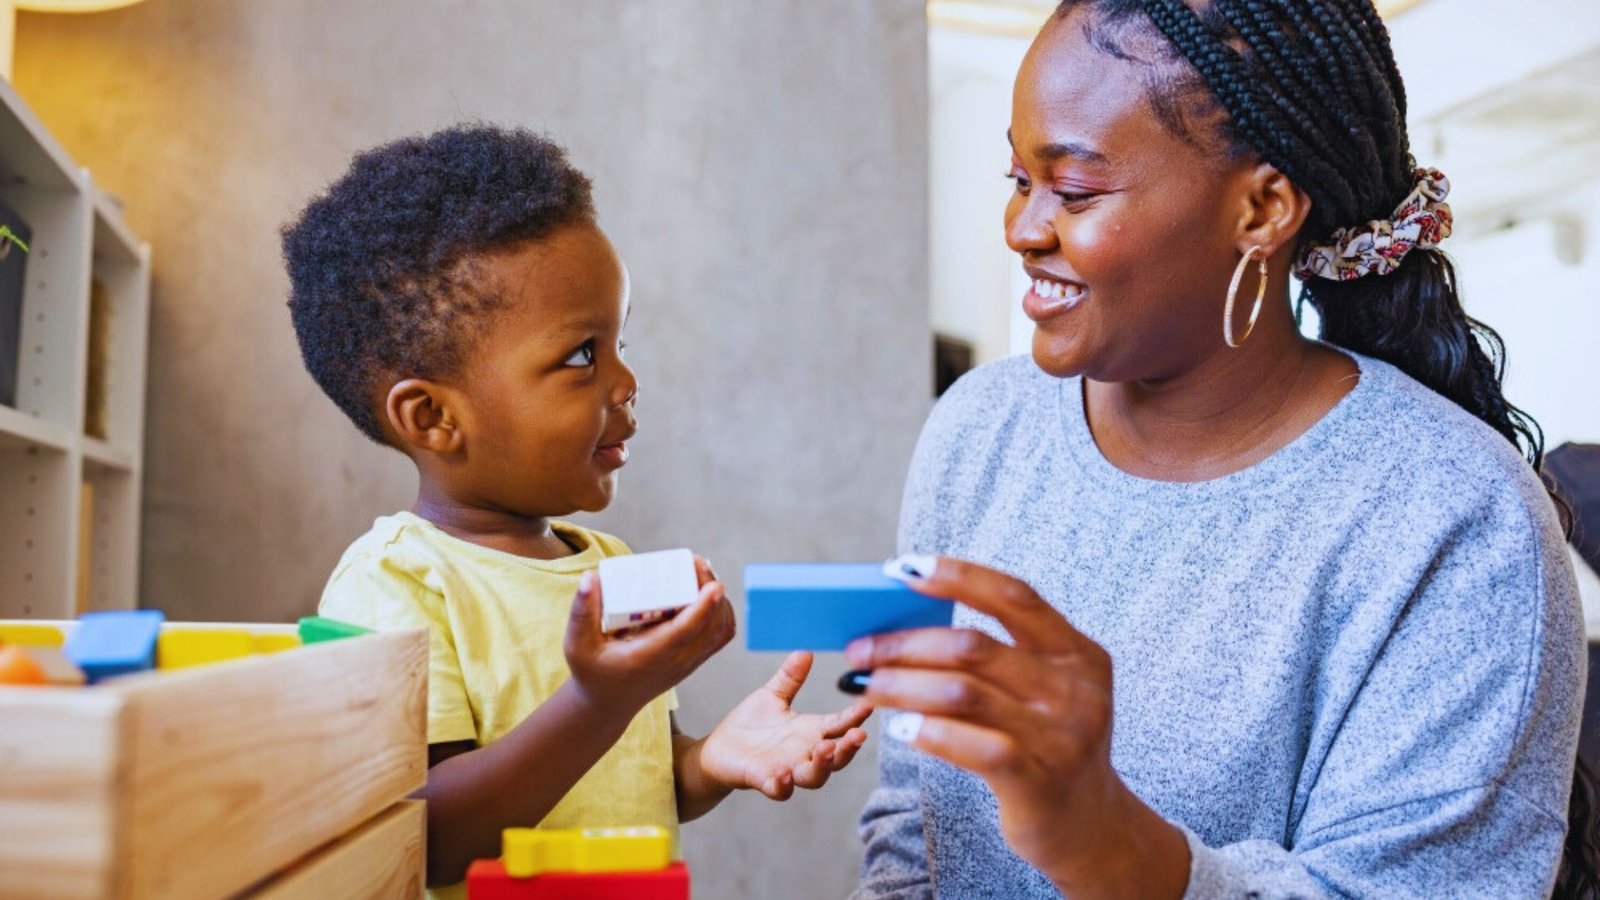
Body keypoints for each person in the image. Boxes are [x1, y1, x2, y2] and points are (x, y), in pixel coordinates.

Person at [852, 1, 1598, 897]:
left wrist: (1108, 842)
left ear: (1262, 207)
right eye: (1019, 178)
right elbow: (910, 813)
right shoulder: (977, 432)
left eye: (1077, 191)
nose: (1021, 228)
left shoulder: (1459, 521)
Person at [281, 124, 872, 899]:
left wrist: (707, 762)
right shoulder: (397, 582)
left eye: (620, 343)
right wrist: (601, 699)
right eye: (582, 356)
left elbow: (625, 782)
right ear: (431, 418)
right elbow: (431, 834)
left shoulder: (608, 567)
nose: (625, 382)